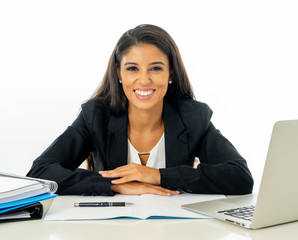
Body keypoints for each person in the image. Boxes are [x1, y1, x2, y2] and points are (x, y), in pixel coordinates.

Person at [27, 24, 253, 196]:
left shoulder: (193, 117)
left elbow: (240, 178)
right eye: (132, 68)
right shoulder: (95, 116)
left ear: (170, 74)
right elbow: (39, 173)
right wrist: (114, 185)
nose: (144, 80)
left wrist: (157, 176)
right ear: (118, 73)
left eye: (155, 68)